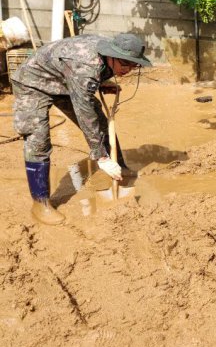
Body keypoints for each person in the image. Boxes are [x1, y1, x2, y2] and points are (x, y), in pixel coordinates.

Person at [11, 33, 151, 225]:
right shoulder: (86, 67)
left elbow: (84, 76)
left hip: (65, 80)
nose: (128, 69)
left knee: (102, 124)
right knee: (38, 139)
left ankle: (120, 167)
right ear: (112, 56)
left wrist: (100, 82)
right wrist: (100, 156)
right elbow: (85, 112)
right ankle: (40, 203)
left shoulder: (106, 58)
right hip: (34, 83)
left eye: (134, 65)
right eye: (125, 64)